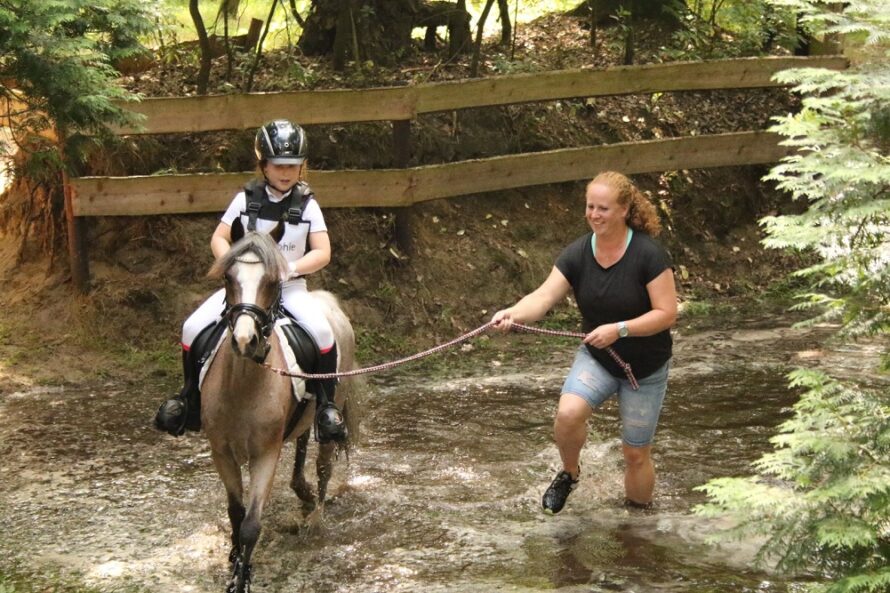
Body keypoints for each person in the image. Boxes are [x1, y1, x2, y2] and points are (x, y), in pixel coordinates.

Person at [491, 171, 677, 514]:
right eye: (590, 207)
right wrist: (513, 313)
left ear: (623, 210)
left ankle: (638, 524)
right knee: (568, 413)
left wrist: (619, 329)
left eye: (603, 208)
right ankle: (570, 473)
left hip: (646, 369)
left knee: (635, 454)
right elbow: (544, 296)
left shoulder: (649, 255)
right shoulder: (577, 254)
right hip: (599, 358)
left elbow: (667, 314)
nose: (594, 214)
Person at [154, 119, 346, 443]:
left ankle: (325, 407)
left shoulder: (308, 204)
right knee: (191, 326)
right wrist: (230, 265)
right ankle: (188, 398)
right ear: (263, 165)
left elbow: (323, 252)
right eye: (278, 165)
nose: (286, 172)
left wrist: (291, 268)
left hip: (290, 288)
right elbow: (219, 237)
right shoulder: (245, 200)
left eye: (293, 166)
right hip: (245, 288)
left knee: (324, 331)